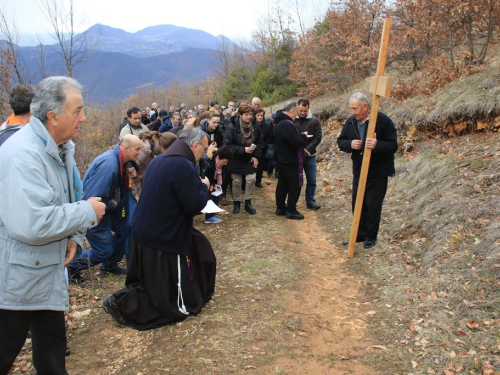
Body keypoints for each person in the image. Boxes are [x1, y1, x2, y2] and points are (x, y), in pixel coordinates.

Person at [0, 76, 106, 375]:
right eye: (78, 110)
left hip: (44, 268)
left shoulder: (59, 148)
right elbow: (33, 222)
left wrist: (73, 235)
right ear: (52, 115)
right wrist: (86, 213)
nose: (83, 117)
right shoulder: (24, 155)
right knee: (6, 347)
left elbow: (63, 198)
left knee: (52, 350)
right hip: (17, 275)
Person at [102, 128, 216, 331]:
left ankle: (125, 301)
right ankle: (121, 303)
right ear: (195, 145)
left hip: (146, 231)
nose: (204, 154)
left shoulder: (161, 159)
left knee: (162, 277)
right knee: (163, 293)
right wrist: (204, 186)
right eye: (204, 148)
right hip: (163, 237)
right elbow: (194, 205)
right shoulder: (181, 165)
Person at [68, 134, 143, 282]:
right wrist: (112, 204)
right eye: (137, 149)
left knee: (121, 233)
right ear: (125, 148)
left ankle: (109, 265)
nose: (140, 152)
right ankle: (71, 266)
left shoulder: (121, 160)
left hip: (108, 210)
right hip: (95, 211)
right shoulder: (109, 165)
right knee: (103, 250)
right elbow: (91, 197)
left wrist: (131, 168)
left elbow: (130, 165)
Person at [337, 92, 398, 249]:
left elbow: (393, 145)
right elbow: (341, 141)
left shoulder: (383, 120)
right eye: (351, 108)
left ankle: (370, 237)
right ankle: (358, 234)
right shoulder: (351, 122)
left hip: (378, 172)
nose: (352, 112)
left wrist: (377, 145)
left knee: (373, 204)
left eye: (355, 108)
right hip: (359, 170)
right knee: (358, 203)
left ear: (365, 107)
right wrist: (350, 144)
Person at [223, 101, 263, 214]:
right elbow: (227, 145)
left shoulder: (255, 125)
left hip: (249, 158)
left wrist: (256, 156)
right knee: (236, 181)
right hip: (235, 158)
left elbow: (260, 141)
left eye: (250, 114)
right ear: (240, 115)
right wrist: (243, 150)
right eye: (246, 114)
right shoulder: (232, 127)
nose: (249, 117)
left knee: (251, 179)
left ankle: (248, 203)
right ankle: (236, 203)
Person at [274, 101, 309, 220]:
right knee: (294, 185)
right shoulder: (286, 124)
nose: (297, 115)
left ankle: (280, 208)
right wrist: (304, 136)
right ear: (292, 110)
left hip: (282, 160)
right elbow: (296, 142)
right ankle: (291, 210)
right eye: (297, 112)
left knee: (282, 185)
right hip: (291, 161)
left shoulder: (279, 122)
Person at [295, 98, 323, 210]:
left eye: (305, 111)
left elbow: (318, 137)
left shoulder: (314, 121)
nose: (302, 113)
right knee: (296, 179)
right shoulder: (292, 120)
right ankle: (294, 201)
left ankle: (310, 200)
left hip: (310, 155)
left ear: (308, 109)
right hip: (296, 155)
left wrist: (307, 149)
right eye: (300, 110)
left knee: (312, 179)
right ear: (297, 108)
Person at [204, 145, 234, 224]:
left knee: (216, 194)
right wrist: (210, 184)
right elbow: (205, 175)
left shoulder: (220, 165)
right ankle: (209, 216)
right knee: (211, 195)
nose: (225, 164)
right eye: (224, 162)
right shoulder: (208, 162)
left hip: (213, 184)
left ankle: (211, 215)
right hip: (205, 183)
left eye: (226, 162)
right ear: (218, 157)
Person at [254, 108, 272, 189]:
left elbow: (269, 137)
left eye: (261, 115)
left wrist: (262, 146)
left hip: (262, 149)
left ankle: (258, 181)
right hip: (252, 147)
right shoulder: (251, 124)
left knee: (260, 166)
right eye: (258, 115)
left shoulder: (266, 126)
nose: (260, 117)